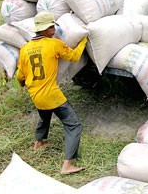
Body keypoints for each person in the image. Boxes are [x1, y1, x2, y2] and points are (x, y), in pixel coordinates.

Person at [16, 12, 88, 175]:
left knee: (45, 114)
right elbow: (75, 57)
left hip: (35, 95)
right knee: (73, 125)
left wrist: (23, 83)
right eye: (52, 26)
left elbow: (20, 76)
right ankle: (67, 165)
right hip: (52, 95)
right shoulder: (54, 44)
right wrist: (83, 40)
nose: (54, 29)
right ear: (46, 29)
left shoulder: (25, 49)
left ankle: (39, 142)